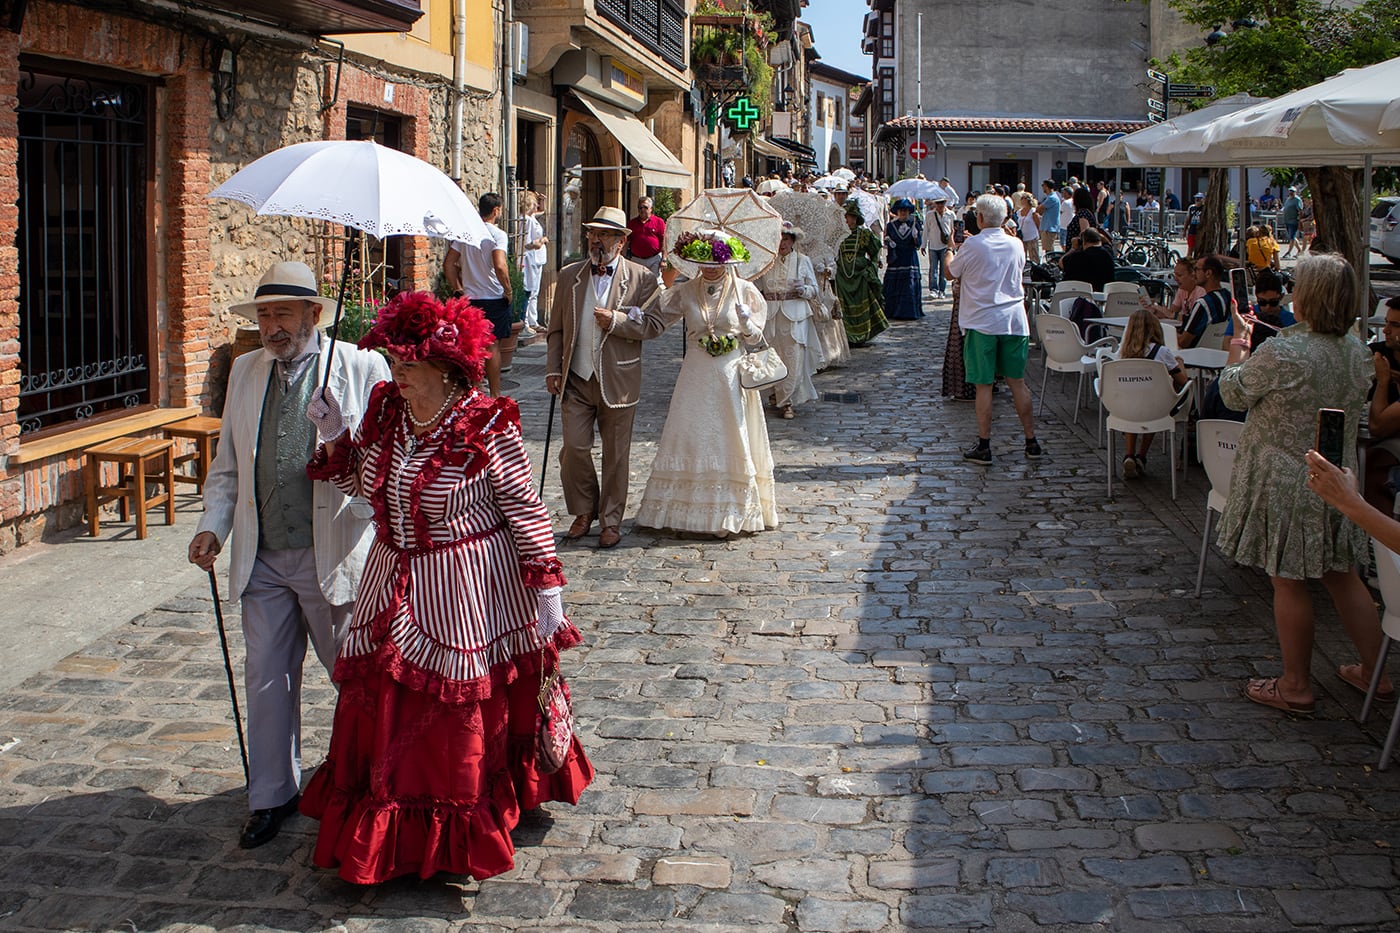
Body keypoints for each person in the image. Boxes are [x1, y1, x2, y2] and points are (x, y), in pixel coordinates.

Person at [299, 292, 593, 884]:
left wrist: (546, 587)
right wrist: (336, 435)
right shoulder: (387, 412)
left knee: (451, 705)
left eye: (410, 364)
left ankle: (456, 823)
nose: (397, 372)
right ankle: (389, 825)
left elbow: (524, 508)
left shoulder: (485, 422)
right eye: (394, 361)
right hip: (391, 576)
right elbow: (364, 485)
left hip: (464, 587)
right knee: (385, 702)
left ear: (447, 367)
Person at [187, 261, 391, 849]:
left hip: (333, 552)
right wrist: (213, 527)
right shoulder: (247, 370)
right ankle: (272, 794)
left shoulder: (358, 365)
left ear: (314, 315)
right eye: (263, 315)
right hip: (263, 555)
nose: (272, 326)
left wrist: (338, 434)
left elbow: (380, 467)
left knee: (352, 679)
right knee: (267, 680)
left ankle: (372, 787)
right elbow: (228, 464)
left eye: (282, 314)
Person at [1214, 253, 1389, 714]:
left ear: (1307, 295)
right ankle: (1375, 672)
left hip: (1284, 476)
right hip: (1337, 476)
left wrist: (1240, 342)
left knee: (1287, 579)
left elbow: (1231, 392)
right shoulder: (1356, 350)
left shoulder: (1285, 352)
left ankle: (1295, 685)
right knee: (1342, 574)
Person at [635, 230, 778, 536]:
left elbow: (756, 339)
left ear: (728, 261)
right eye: (704, 260)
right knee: (691, 431)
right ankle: (684, 512)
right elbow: (658, 318)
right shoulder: (687, 292)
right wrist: (634, 312)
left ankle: (731, 512)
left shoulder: (744, 291)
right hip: (696, 372)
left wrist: (747, 322)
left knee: (730, 434)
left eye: (716, 260)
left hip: (730, 374)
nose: (711, 267)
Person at [545, 206, 666, 550]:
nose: (596, 240)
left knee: (616, 455)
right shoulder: (570, 275)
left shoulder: (642, 278)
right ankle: (584, 511)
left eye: (604, 234)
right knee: (575, 448)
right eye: (592, 233)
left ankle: (610, 520)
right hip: (577, 377)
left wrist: (617, 321)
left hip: (619, 379)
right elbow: (555, 330)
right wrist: (554, 369)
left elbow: (655, 325)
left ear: (621, 240)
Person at [948, 193, 1041, 463]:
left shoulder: (973, 245)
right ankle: (1031, 440)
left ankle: (985, 444)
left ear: (979, 218)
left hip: (982, 321)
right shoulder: (1016, 245)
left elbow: (950, 273)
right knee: (1018, 383)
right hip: (1013, 320)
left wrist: (951, 250)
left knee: (984, 386)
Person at [446, 192, 513, 397]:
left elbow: (449, 263)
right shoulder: (498, 234)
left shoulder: (466, 233)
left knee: (471, 345)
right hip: (493, 296)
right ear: (496, 210)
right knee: (492, 347)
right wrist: (508, 290)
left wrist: (456, 287)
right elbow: (500, 265)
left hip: (470, 297)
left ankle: (474, 390)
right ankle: (495, 394)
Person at [1112, 310, 1188, 479]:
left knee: (1135, 407)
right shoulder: (1162, 352)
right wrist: (1180, 363)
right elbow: (1183, 380)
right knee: (1155, 407)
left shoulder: (1121, 354)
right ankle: (1141, 456)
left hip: (1126, 407)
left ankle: (1129, 454)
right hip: (1154, 407)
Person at [758, 224, 822, 418]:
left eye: (786, 239)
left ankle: (788, 401)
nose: (782, 243)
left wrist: (804, 290)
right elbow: (756, 287)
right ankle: (773, 392)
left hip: (795, 317)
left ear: (793, 241)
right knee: (771, 356)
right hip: (771, 317)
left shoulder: (802, 261)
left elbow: (814, 289)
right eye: (778, 239)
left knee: (793, 357)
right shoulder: (766, 262)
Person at [834, 200, 888, 346]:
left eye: (850, 216)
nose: (847, 219)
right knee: (843, 306)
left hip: (860, 276)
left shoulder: (864, 234)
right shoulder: (836, 235)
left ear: (856, 218)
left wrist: (872, 268)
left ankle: (862, 334)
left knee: (862, 304)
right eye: (845, 216)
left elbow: (875, 252)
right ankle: (847, 335)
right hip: (842, 276)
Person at [882, 198, 924, 321]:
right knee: (895, 283)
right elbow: (887, 240)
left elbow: (917, 245)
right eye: (901, 211)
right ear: (897, 212)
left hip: (909, 258)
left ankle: (910, 311)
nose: (903, 213)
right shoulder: (891, 226)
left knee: (908, 284)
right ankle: (893, 310)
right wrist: (889, 243)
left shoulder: (914, 224)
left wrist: (916, 237)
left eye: (905, 211)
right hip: (897, 259)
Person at [1179, 254, 1232, 349]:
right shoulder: (1229, 297)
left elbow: (1183, 342)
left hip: (1194, 355)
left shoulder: (1203, 304)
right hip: (1218, 352)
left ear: (1208, 273)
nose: (1193, 274)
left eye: (1196, 269)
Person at [1140, 257, 1206, 324]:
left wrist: (1172, 315)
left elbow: (1196, 320)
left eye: (1179, 275)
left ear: (1192, 275)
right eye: (1175, 275)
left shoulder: (1200, 292)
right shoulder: (1182, 290)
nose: (1176, 279)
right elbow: (1170, 313)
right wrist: (1153, 309)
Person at [520, 191, 548, 339]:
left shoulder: (528, 218)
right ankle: (526, 322)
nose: (536, 206)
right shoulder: (527, 220)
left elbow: (540, 212)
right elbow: (530, 243)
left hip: (534, 258)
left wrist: (542, 201)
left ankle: (532, 320)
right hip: (530, 257)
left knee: (533, 291)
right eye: (534, 203)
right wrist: (543, 240)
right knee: (530, 290)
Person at [626, 195, 667, 280]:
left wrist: (664, 259)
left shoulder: (659, 222)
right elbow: (626, 242)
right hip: (636, 259)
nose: (642, 210)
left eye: (645, 207)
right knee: (635, 283)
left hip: (654, 259)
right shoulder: (632, 223)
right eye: (640, 207)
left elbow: (664, 241)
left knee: (654, 284)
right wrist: (624, 258)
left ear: (651, 209)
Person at [924, 195, 954, 298]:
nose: (940, 205)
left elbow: (953, 231)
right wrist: (923, 245)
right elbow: (926, 230)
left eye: (942, 203)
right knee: (933, 269)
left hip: (945, 246)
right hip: (933, 245)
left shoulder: (950, 215)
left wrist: (953, 245)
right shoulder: (929, 215)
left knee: (943, 269)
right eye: (938, 203)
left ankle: (942, 290)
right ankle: (933, 289)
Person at [1037, 181, 1061, 258]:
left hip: (1050, 227)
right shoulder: (1050, 197)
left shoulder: (1052, 198)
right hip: (1047, 226)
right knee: (1048, 249)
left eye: (1043, 185)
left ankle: (1052, 266)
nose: (1042, 187)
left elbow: (1039, 209)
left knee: (1049, 250)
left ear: (1047, 186)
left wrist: (1040, 209)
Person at [1015, 192, 1041, 263]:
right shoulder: (1019, 212)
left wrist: (1039, 235)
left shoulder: (1033, 211)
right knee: (1023, 256)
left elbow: (1038, 224)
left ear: (1027, 199)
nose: (1021, 200)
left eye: (1022, 198)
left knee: (1034, 256)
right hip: (1022, 237)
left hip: (1032, 237)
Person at [1280, 186, 1304, 258]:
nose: (1291, 192)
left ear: (1295, 192)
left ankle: (1288, 252)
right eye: (1290, 191)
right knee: (1292, 237)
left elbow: (1300, 211)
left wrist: (1300, 221)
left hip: (1293, 221)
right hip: (1287, 220)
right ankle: (1300, 250)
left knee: (1292, 237)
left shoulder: (1297, 200)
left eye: (1292, 191)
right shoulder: (1288, 199)